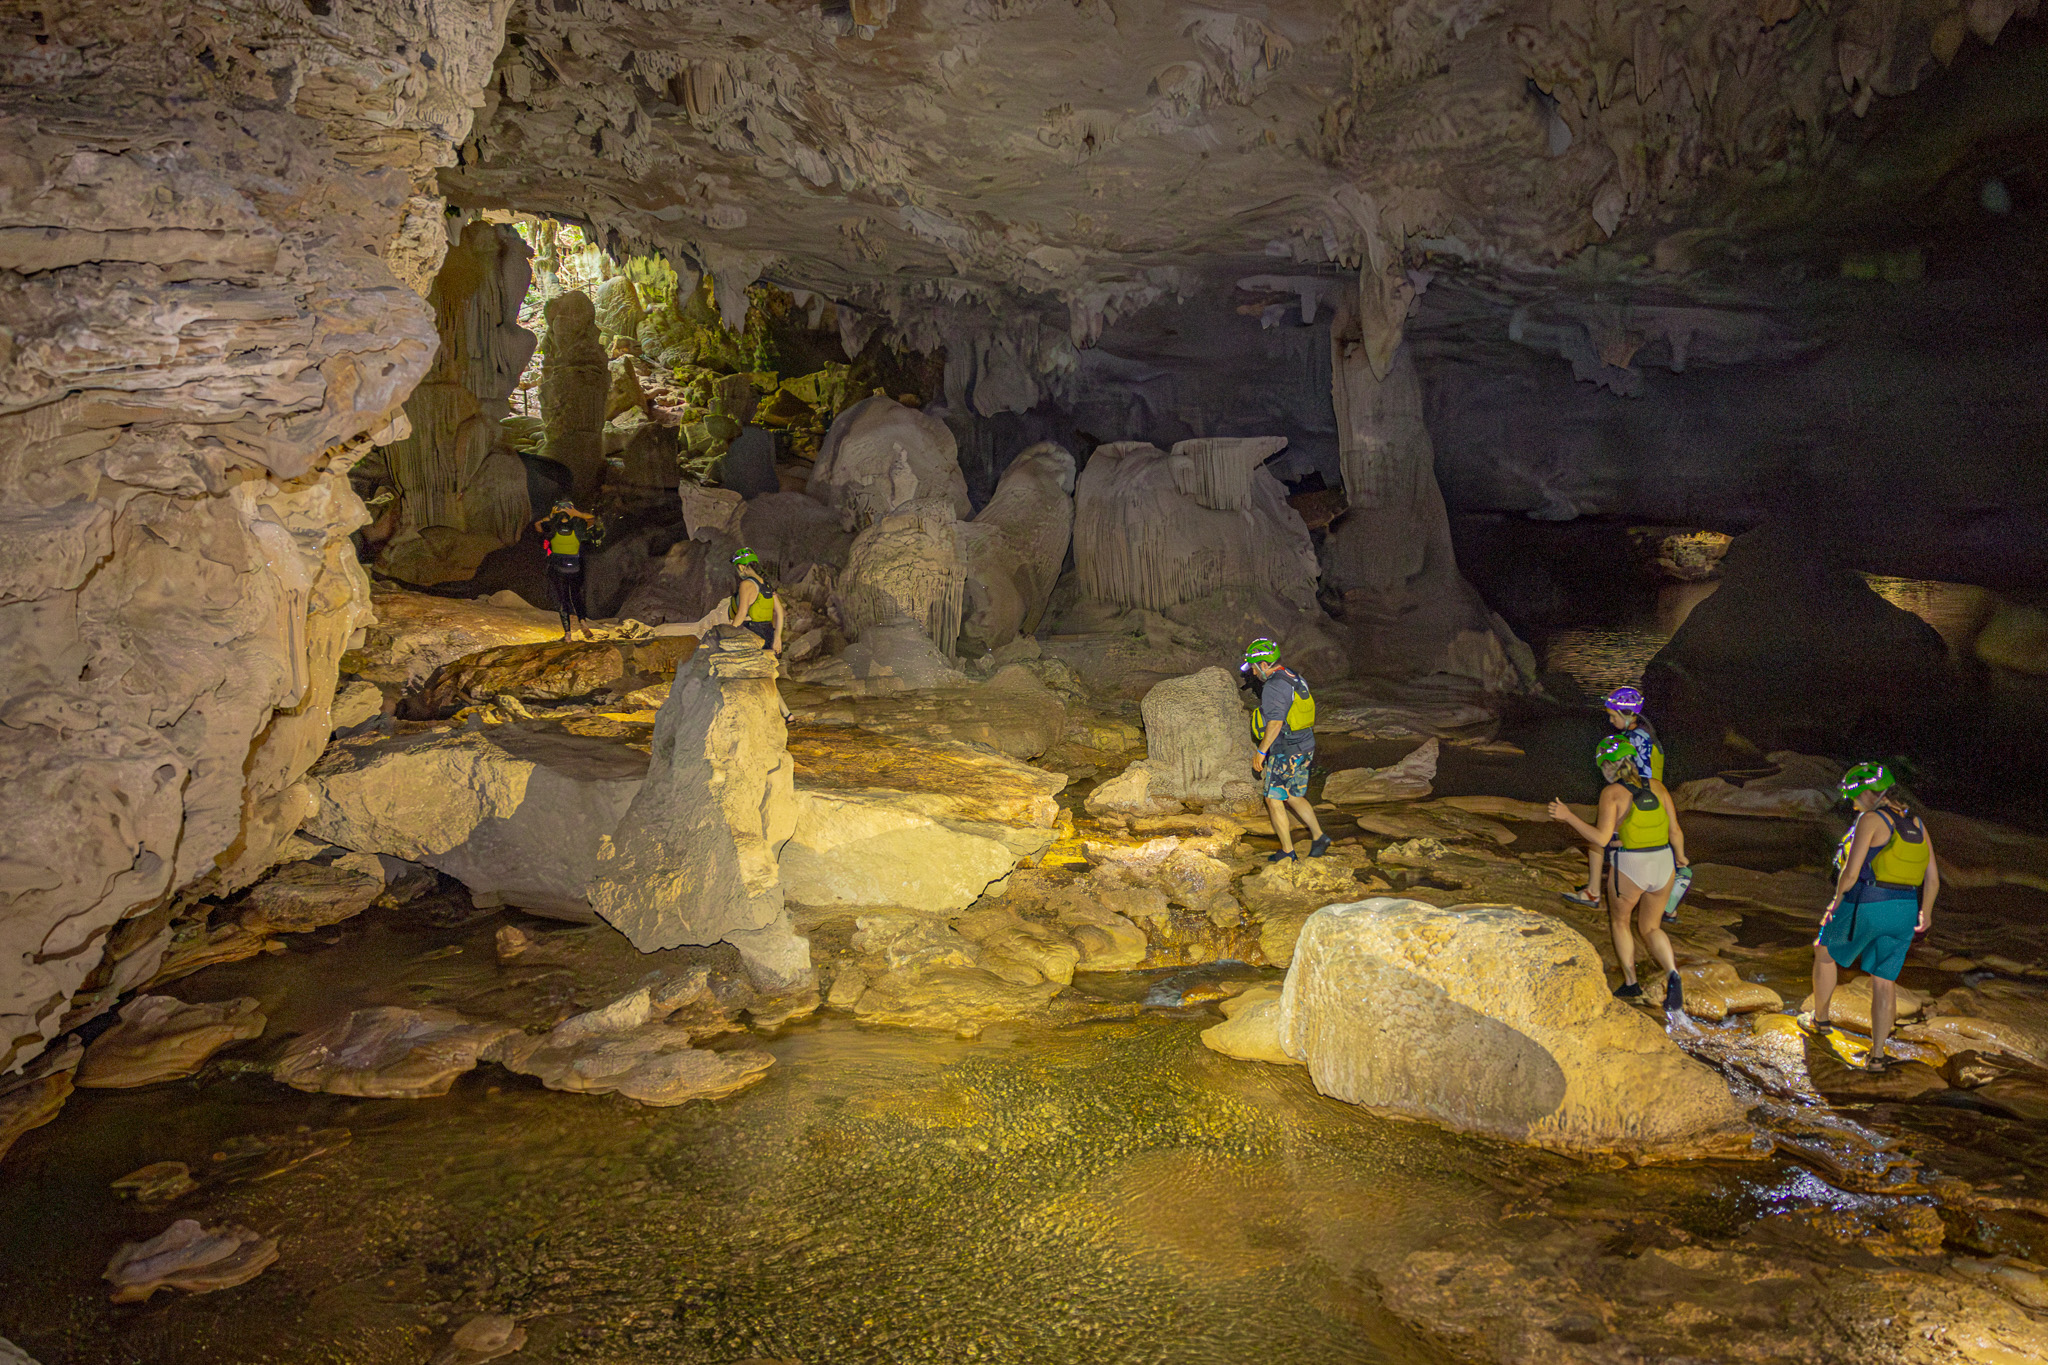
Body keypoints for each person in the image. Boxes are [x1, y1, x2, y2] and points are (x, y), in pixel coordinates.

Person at [1809, 763, 1938, 1071]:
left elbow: (1851, 873)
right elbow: (1932, 877)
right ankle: (1878, 1056)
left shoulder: (1870, 819)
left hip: (1868, 901)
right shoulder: (1917, 822)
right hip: (1905, 909)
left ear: (1869, 793)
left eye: (1855, 796)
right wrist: (1926, 912)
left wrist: (1835, 903)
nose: (1852, 803)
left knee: (1823, 952)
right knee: (1884, 980)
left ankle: (1821, 1021)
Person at [1549, 732, 1689, 1009]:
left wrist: (1568, 816)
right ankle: (1673, 973)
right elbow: (1674, 830)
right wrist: (1682, 858)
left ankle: (1631, 984)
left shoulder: (1612, 793)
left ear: (1608, 766)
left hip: (1631, 866)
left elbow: (1600, 839)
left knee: (1620, 922)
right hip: (1664, 863)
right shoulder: (1658, 787)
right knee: (1650, 926)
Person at [1563, 686, 1667, 910]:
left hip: (1638, 802)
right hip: (1647, 801)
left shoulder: (1637, 740)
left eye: (1612, 716)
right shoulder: (1642, 732)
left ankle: (1593, 892)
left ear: (1627, 715)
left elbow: (1639, 776)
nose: (1610, 721)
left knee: (1599, 839)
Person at [1245, 638, 1330, 862]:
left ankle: (1287, 851)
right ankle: (1319, 836)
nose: (1253, 673)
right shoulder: (1292, 675)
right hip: (1306, 745)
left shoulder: (1273, 686)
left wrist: (1261, 751)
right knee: (1292, 794)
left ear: (1264, 665)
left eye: (1254, 668)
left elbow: (1275, 723)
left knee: (1273, 798)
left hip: (1287, 750)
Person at [533, 498, 604, 641]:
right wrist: (576, 513)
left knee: (563, 599)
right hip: (575, 568)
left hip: (558, 568)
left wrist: (552, 515)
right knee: (576, 595)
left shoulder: (552, 529)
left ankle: (568, 634)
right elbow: (591, 519)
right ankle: (582, 622)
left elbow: (537, 525)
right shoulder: (578, 529)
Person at [727, 548, 785, 653]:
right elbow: (779, 612)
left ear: (741, 567)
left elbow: (741, 614)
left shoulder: (746, 584)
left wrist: (729, 633)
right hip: (768, 635)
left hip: (751, 634)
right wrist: (777, 638)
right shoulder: (766, 585)